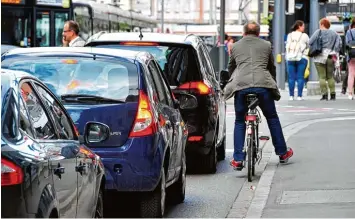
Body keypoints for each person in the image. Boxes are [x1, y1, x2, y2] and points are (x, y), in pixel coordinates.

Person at [224, 21, 294, 170]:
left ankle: (237, 159)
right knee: (272, 118)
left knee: (239, 121)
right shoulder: (266, 45)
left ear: (243, 33)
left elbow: (231, 66)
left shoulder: (235, 46)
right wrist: (272, 81)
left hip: (241, 87)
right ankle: (282, 153)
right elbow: (271, 66)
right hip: (263, 86)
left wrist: (232, 79)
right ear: (258, 33)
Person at [309, 18, 342, 101]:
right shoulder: (334, 33)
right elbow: (339, 44)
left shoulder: (318, 32)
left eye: (320, 24)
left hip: (319, 56)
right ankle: (333, 94)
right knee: (330, 77)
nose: (319, 26)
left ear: (322, 24)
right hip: (330, 56)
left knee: (322, 77)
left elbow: (310, 42)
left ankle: (324, 95)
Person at [285, 20, 309, 101]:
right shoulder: (304, 35)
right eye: (303, 26)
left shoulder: (290, 35)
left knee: (291, 77)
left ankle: (291, 96)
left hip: (290, 58)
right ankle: (299, 96)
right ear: (299, 26)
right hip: (301, 58)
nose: (304, 28)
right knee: (300, 77)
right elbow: (308, 45)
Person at [345, 19, 355, 100]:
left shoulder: (349, 32)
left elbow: (347, 43)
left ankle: (350, 94)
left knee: (351, 74)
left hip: (352, 55)